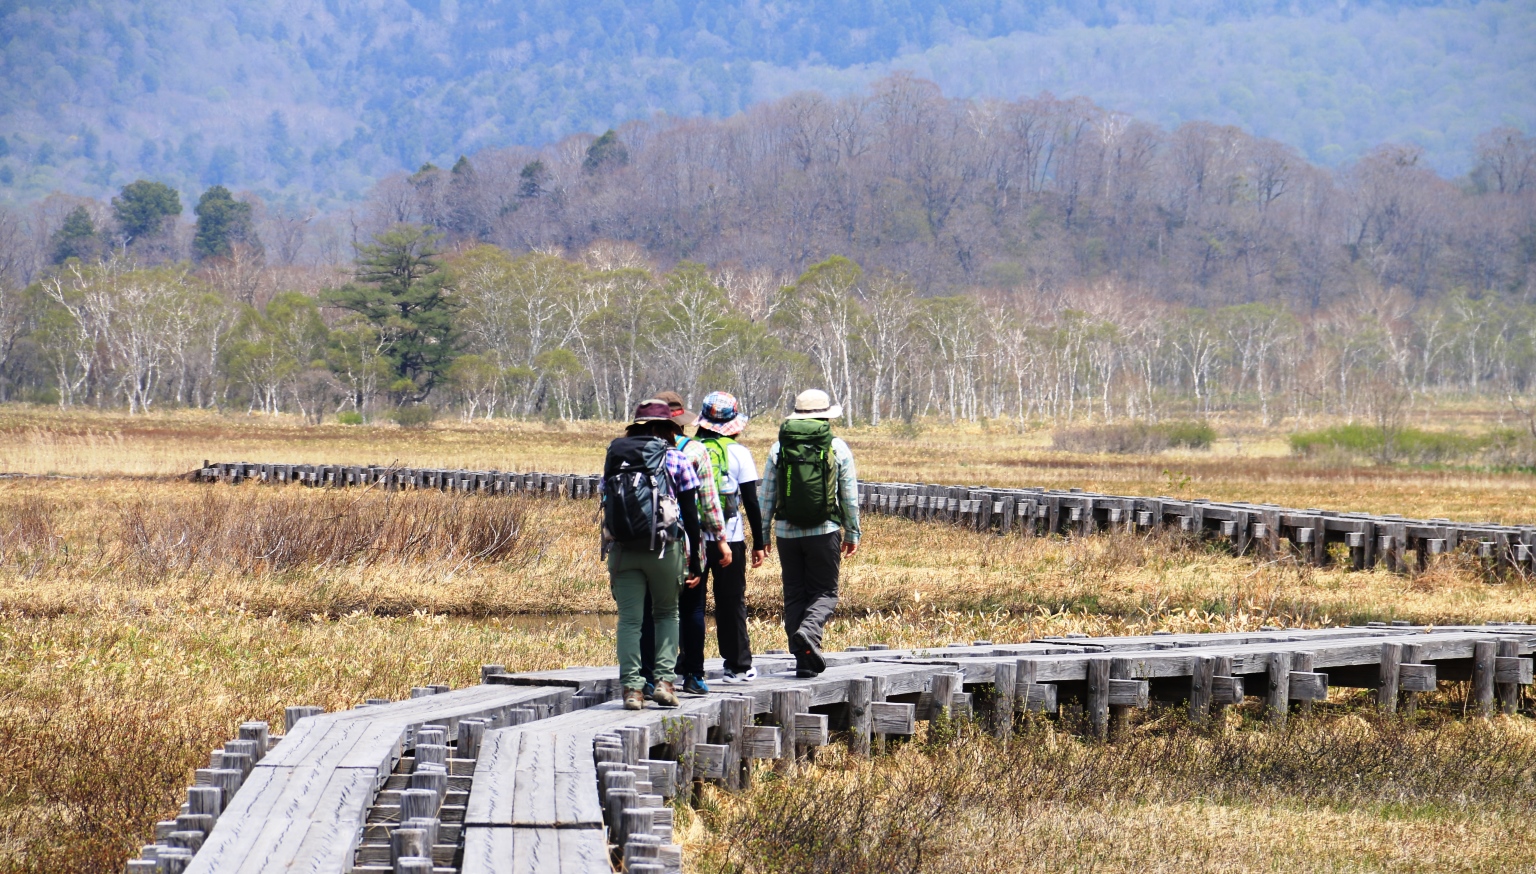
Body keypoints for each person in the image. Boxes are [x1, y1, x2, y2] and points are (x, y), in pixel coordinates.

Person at [600, 399, 704, 710]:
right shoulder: (676, 459)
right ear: (669, 428)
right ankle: (665, 683)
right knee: (666, 614)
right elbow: (690, 514)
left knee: (630, 621)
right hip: (664, 548)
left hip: (623, 549)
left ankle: (632, 690)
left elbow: (606, 498)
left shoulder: (616, 456)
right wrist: (695, 560)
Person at [757, 389, 861, 678]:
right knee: (825, 592)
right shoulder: (837, 447)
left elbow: (766, 495)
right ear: (826, 416)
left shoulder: (779, 448)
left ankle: (804, 661)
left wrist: (762, 534)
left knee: (794, 595)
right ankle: (809, 632)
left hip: (786, 533)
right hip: (824, 530)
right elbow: (849, 496)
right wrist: (853, 531)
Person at [638, 390, 728, 696]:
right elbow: (708, 503)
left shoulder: (636, 451)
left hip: (646, 543)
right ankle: (693, 675)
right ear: (680, 421)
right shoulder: (694, 451)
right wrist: (719, 539)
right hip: (687, 541)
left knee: (652, 611)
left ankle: (648, 678)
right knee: (692, 610)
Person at [688, 391, 764, 684]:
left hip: (692, 538)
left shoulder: (688, 449)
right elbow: (751, 502)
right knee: (731, 601)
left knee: (690, 603)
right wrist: (759, 542)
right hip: (729, 538)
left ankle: (688, 665)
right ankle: (738, 665)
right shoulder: (739, 453)